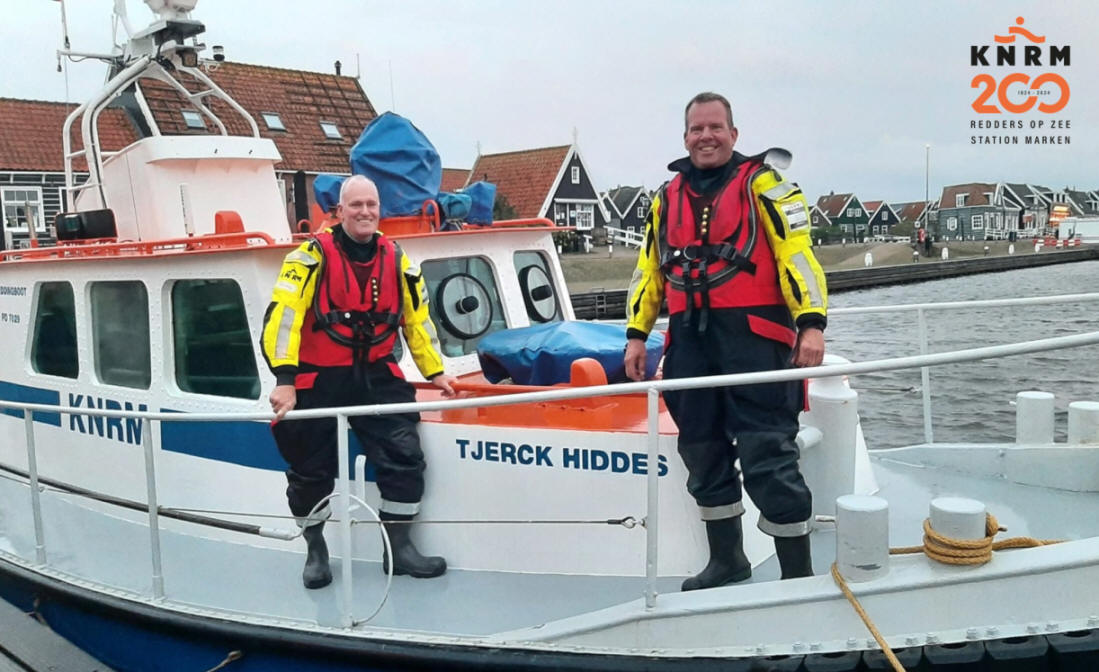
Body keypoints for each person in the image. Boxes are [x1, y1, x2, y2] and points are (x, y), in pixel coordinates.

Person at [623, 92, 828, 591]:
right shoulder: (663, 198)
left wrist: (812, 322)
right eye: (696, 129)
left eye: (715, 127)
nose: (706, 136)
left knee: (768, 456)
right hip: (690, 346)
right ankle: (727, 561)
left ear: (733, 135)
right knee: (702, 452)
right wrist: (636, 335)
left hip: (754, 340)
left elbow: (797, 256)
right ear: (685, 137)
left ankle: (797, 576)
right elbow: (648, 271)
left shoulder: (767, 186)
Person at [261, 175, 457, 589]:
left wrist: (434, 371)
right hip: (317, 376)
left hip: (376, 372)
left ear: (378, 209)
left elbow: (416, 319)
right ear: (339, 211)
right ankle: (316, 550)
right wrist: (285, 379)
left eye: (371, 204)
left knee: (404, 454)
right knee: (308, 470)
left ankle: (399, 550)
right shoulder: (307, 258)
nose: (365, 212)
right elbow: (284, 319)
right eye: (356, 205)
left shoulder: (398, 258)